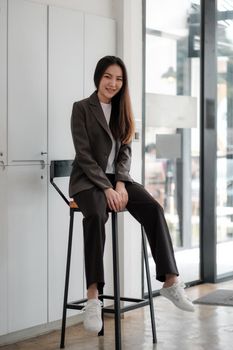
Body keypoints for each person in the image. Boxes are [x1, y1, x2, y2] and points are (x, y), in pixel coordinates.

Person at [69, 55, 194, 333]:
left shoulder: (123, 109)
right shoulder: (82, 108)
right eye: (108, 77)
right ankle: (93, 297)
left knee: (153, 208)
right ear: (98, 77)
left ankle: (171, 282)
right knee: (95, 214)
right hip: (88, 181)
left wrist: (122, 184)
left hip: (118, 180)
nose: (113, 83)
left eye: (119, 79)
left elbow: (125, 151)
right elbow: (84, 155)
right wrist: (106, 187)